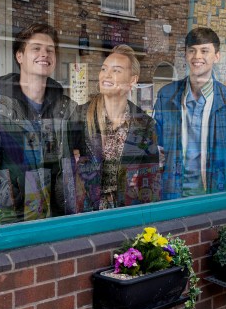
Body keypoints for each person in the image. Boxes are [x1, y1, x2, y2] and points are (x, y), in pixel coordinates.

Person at [0, 22, 79, 223]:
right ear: (19, 56)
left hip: (57, 218)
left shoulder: (68, 109)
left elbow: (78, 157)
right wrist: (6, 198)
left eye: (50, 50)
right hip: (10, 218)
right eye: (36, 48)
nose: (44, 54)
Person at [61, 45, 160, 212]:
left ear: (132, 80)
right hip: (86, 214)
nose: (106, 75)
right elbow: (67, 176)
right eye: (104, 69)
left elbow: (151, 180)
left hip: (127, 214)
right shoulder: (79, 116)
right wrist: (72, 217)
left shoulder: (144, 124)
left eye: (116, 70)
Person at [153, 27, 226, 199]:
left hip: (214, 199)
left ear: (217, 56)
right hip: (172, 198)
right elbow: (157, 151)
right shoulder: (166, 96)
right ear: (185, 55)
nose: (197, 56)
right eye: (192, 51)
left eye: (204, 51)